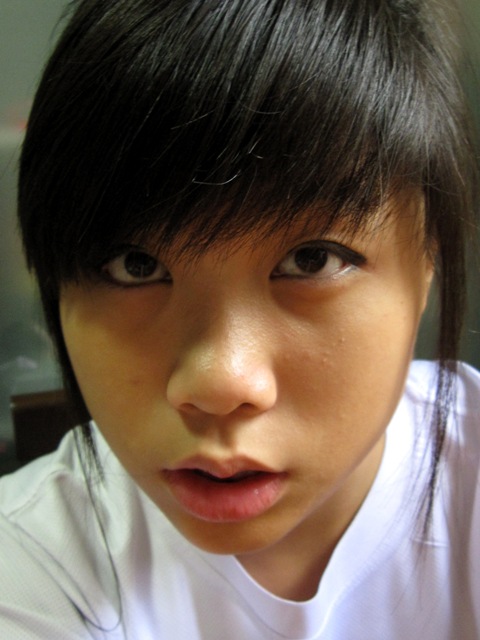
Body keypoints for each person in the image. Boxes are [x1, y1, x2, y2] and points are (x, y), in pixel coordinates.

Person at [1, 0, 479, 637]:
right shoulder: (31, 566)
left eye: (312, 259)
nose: (219, 384)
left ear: (427, 265)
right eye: (134, 266)